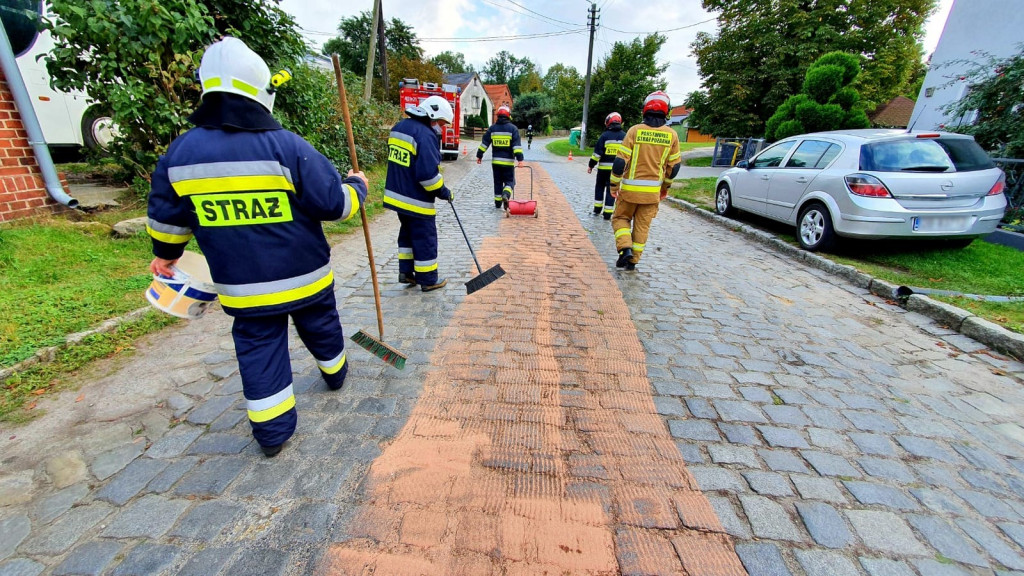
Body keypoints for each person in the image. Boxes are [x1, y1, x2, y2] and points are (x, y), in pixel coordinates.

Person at [146, 37, 369, 458]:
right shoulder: (288, 147)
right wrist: (357, 186)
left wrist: (167, 253)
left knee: (259, 349)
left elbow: (167, 217)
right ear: (261, 89)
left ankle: (271, 434)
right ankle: (336, 373)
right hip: (306, 278)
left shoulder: (181, 153)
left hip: (243, 288)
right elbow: (334, 205)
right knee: (321, 325)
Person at [383, 95, 455, 292]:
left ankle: (406, 272)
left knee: (407, 234)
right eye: (441, 123)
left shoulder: (399, 127)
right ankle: (428, 279)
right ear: (432, 116)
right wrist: (444, 192)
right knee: (425, 238)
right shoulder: (425, 135)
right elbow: (427, 176)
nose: (441, 128)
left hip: (397, 196)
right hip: (416, 199)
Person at [609, 91, 681, 271]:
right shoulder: (672, 135)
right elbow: (674, 168)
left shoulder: (634, 131)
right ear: (667, 111)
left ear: (645, 109)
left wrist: (614, 185)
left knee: (620, 218)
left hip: (630, 192)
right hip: (652, 195)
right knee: (642, 226)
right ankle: (633, 261)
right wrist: (665, 187)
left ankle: (625, 249)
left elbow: (620, 162)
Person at [477, 105, 524, 209]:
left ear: (498, 116)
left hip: (496, 163)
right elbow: (516, 147)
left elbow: (484, 143)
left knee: (497, 183)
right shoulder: (513, 129)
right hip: (508, 163)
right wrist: (520, 159)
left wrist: (479, 155)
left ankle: (498, 203)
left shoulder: (492, 128)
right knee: (510, 181)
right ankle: (506, 195)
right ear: (508, 116)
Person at [587, 112, 627, 220]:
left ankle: (597, 210)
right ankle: (608, 213)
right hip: (617, 171)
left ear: (608, 122)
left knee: (599, 188)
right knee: (612, 190)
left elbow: (597, 154)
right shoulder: (625, 136)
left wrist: (591, 165)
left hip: (603, 170)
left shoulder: (604, 136)